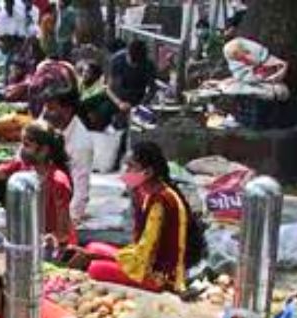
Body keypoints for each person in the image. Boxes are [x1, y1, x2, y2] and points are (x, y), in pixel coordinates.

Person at [74, 142, 202, 293]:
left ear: (147, 172)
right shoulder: (146, 194)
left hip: (160, 276)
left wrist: (98, 257)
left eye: (131, 167)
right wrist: (96, 253)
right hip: (145, 261)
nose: (125, 172)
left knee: (95, 268)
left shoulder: (160, 201)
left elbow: (144, 256)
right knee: (92, 246)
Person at [40, 88, 93, 226]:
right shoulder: (46, 122)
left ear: (67, 110)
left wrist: (69, 222)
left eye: (51, 108)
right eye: (45, 107)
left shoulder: (81, 143)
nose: (45, 113)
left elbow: (81, 186)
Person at [108, 39, 157, 127]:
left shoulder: (148, 65)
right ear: (127, 54)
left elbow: (152, 88)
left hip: (138, 100)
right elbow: (108, 89)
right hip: (118, 100)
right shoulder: (117, 61)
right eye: (132, 62)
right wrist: (119, 103)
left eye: (137, 64)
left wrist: (143, 103)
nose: (134, 65)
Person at [77, 58, 116, 131]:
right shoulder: (80, 84)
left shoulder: (100, 89)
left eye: (88, 72)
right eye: (83, 71)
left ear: (95, 75)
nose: (84, 74)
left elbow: (85, 102)